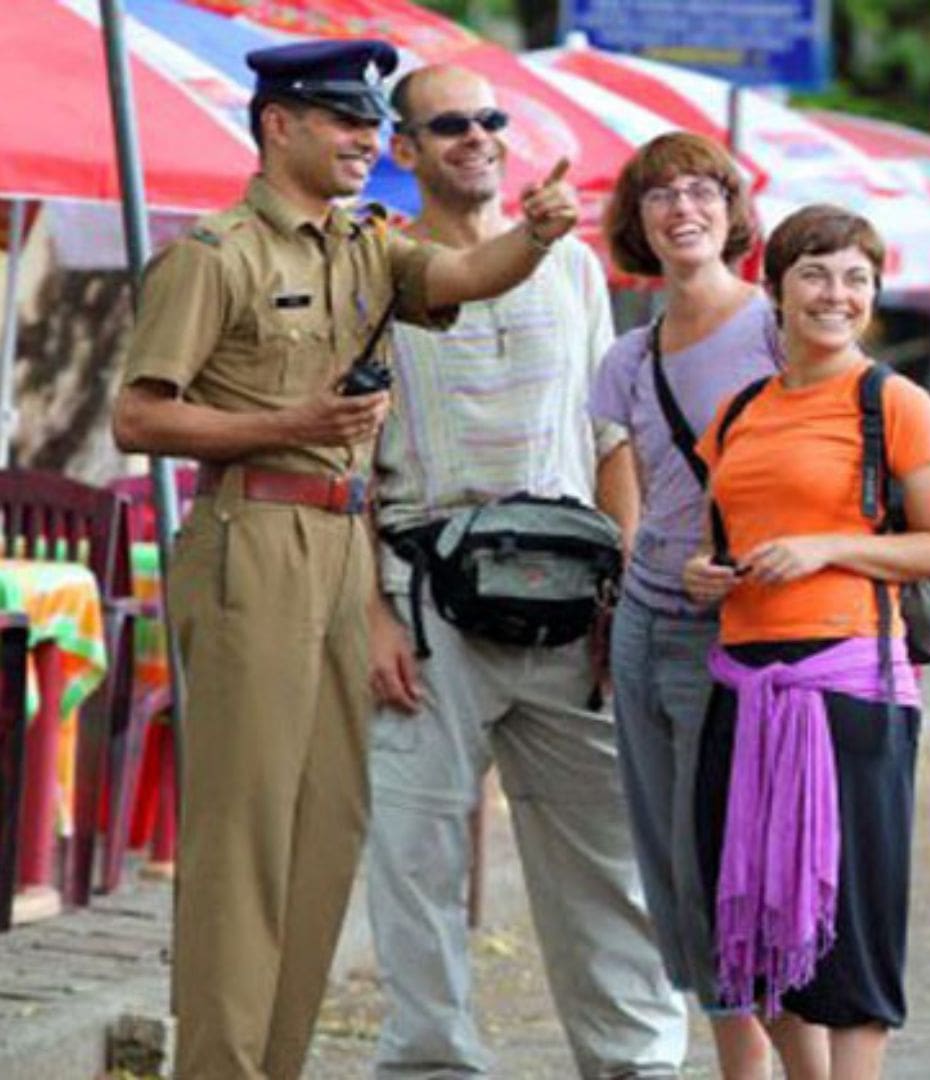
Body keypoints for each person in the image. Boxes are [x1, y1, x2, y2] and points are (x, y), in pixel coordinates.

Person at [109, 40, 579, 1079]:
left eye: (374, 122)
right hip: (252, 539)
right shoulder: (215, 254)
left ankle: (277, 1062)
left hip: (340, 544)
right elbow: (138, 416)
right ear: (279, 125)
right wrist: (293, 418)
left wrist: (539, 238)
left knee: (327, 826)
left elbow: (465, 274)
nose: (371, 139)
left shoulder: (367, 244)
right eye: (343, 120)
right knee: (244, 835)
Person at [360, 65, 687, 1077]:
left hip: (570, 599)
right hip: (423, 601)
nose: (478, 136)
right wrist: (367, 611)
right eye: (449, 124)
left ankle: (636, 1061)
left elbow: (610, 440)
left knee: (610, 854)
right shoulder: (375, 269)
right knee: (415, 860)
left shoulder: (576, 268)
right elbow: (341, 464)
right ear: (404, 151)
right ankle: (431, 1063)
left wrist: (624, 591)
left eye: (490, 119)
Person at [682, 205, 930, 1078]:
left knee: (850, 926)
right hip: (742, 685)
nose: (834, 295)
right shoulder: (738, 413)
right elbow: (723, 535)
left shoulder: (896, 404)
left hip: (851, 688)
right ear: (775, 291)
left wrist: (828, 546)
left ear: (874, 296)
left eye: (855, 279)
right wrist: (706, 572)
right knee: (753, 928)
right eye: (814, 274)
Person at [587, 131, 781, 1078]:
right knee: (673, 864)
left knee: (741, 855)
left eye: (703, 191)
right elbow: (624, 468)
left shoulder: (781, 329)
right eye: (660, 196)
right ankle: (732, 1061)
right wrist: (631, 563)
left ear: (732, 212)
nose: (683, 209)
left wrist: (743, 555)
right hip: (644, 619)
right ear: (638, 222)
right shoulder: (628, 356)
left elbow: (841, 451)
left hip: (744, 627)